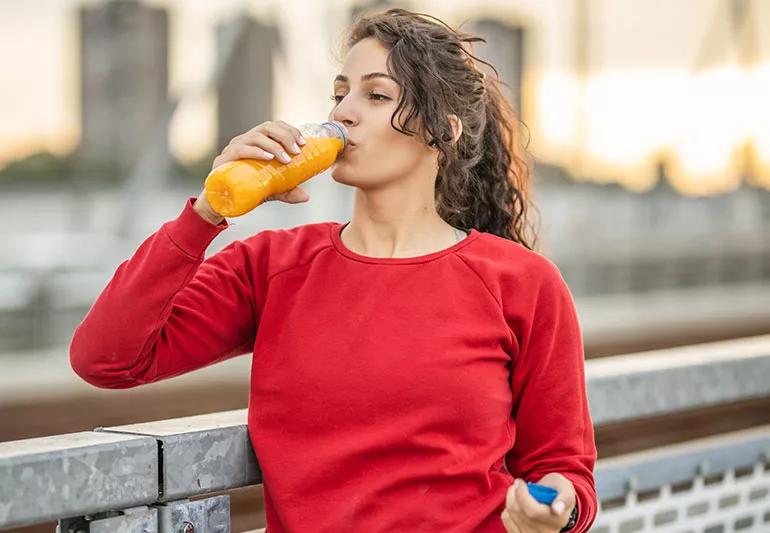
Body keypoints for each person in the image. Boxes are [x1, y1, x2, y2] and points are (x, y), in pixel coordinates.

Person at [70, 8, 596, 533]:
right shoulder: (271, 267)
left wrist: (553, 511)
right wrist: (209, 210)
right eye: (339, 92)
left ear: (444, 131)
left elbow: (565, 470)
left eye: (376, 95)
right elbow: (106, 359)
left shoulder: (522, 283)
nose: (342, 112)